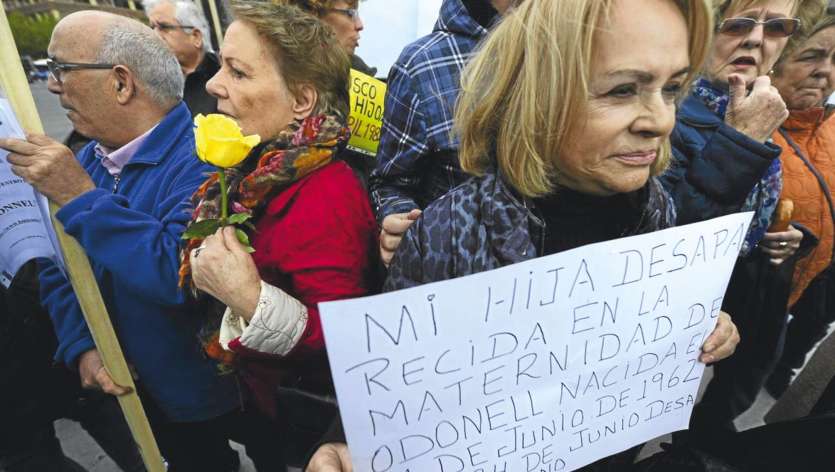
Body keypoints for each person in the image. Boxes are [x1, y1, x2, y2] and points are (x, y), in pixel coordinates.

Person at [307, 0, 739, 470]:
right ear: (537, 95)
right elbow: (396, 396)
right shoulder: (448, 232)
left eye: (672, 88)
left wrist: (701, 330)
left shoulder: (656, 210)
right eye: (622, 90)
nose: (661, 120)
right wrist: (349, 448)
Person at [0, 12, 282, 472]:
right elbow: (60, 268)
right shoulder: (85, 160)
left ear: (121, 83)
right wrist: (82, 346)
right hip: (151, 400)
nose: (52, 86)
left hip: (220, 390)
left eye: (62, 69)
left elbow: (178, 275)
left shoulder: (203, 157)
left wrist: (80, 198)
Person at [180, 0, 378, 466]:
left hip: (312, 436)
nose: (213, 84)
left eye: (238, 72)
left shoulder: (325, 194)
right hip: (265, 407)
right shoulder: (261, 168)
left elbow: (347, 344)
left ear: (302, 101)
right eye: (221, 65)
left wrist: (247, 298)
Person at [667, 0, 825, 452]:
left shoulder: (758, 104)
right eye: (736, 23)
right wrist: (741, 141)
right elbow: (665, 243)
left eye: (777, 26)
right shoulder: (665, 110)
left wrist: (774, 235)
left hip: (734, 286)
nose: (756, 39)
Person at [369, 0, 514, 266]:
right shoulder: (422, 65)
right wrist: (403, 223)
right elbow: (392, 183)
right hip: (460, 276)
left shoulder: (572, 56)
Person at [0, 262, 145, 472]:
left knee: (143, 453)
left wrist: (80, 339)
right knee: (27, 456)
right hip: (12, 413)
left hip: (58, 347)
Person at [765, 13, 835, 396]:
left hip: (812, 281)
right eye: (812, 56)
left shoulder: (831, 125)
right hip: (754, 291)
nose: (825, 72)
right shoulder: (747, 126)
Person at [145, 0, 220, 116]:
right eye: (152, 28)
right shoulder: (154, 83)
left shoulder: (221, 79)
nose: (154, 35)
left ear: (196, 37)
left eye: (163, 27)